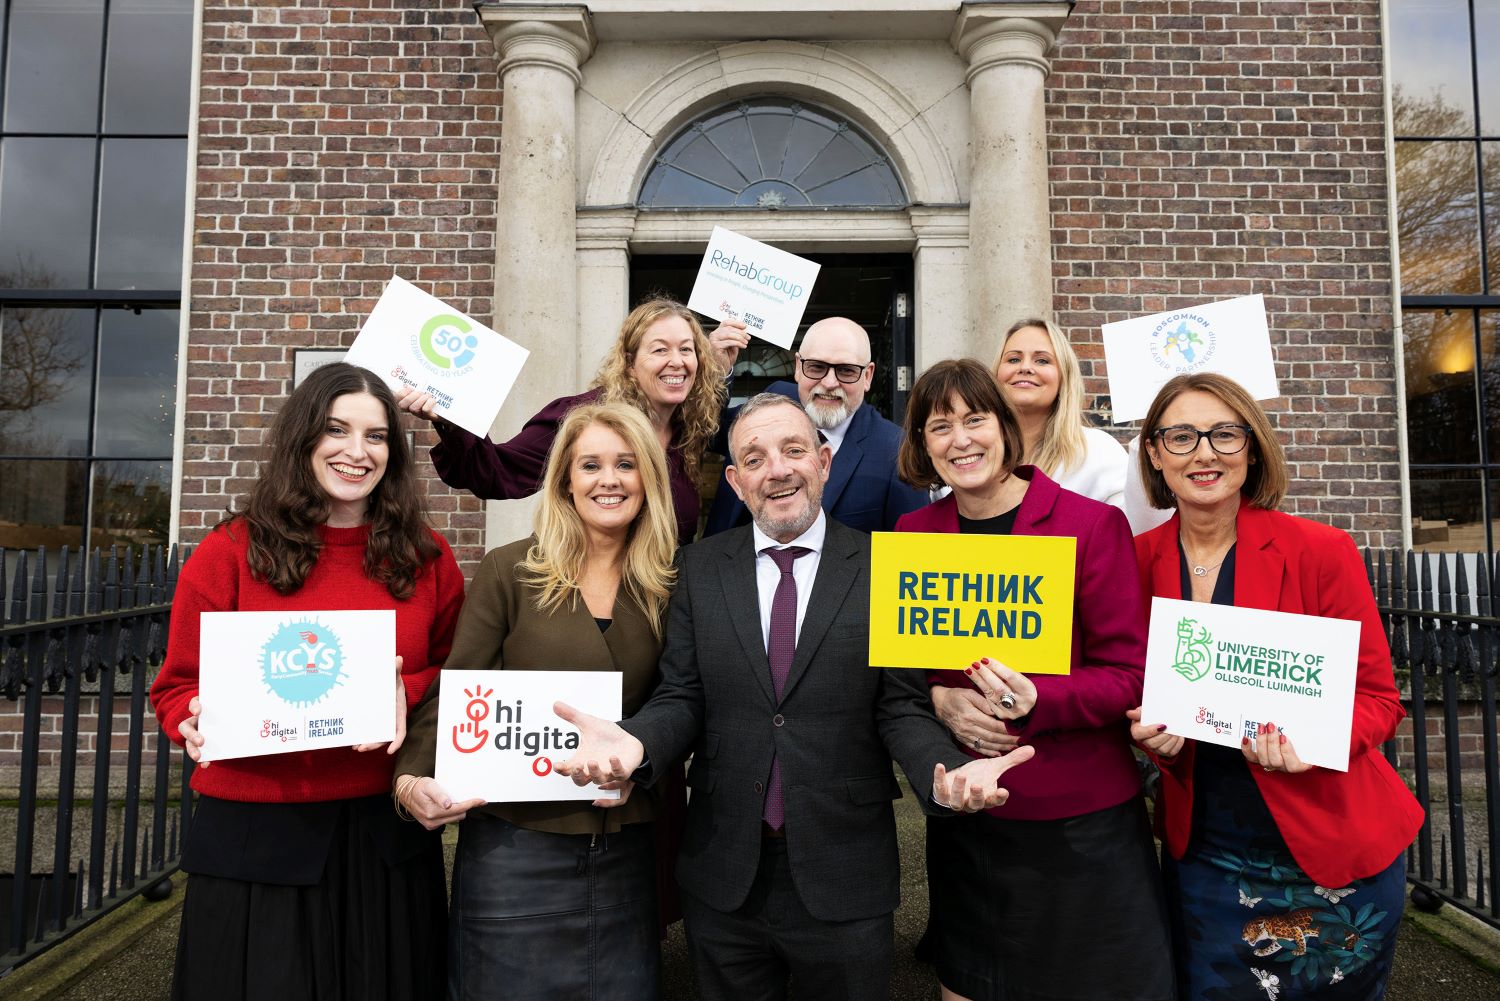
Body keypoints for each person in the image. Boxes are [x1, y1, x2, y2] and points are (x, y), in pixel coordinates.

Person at [552, 392, 1033, 1001]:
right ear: (735, 479)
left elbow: (900, 706)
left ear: (824, 462)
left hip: (845, 869)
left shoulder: (888, 567)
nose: (776, 469)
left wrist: (948, 774)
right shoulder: (698, 571)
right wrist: (635, 742)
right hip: (724, 874)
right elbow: (684, 695)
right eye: (753, 457)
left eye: (793, 450)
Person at [150, 363, 466, 1001]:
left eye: (377, 437)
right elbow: (177, 685)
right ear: (302, 439)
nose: (358, 452)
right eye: (337, 430)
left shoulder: (429, 558)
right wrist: (189, 717)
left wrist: (397, 693)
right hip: (254, 833)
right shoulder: (232, 551)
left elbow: (451, 676)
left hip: (383, 834)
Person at [1127, 373, 1424, 1000]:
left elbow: (1379, 701)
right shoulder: (1134, 561)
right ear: (1154, 453)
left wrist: (1312, 739)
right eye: (1180, 436)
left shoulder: (1321, 551)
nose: (1203, 452)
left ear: (1252, 448)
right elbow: (1132, 691)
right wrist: (1154, 738)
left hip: (1331, 849)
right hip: (1206, 853)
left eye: (1224, 434)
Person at [895, 358, 1174, 1001]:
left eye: (975, 419)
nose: (960, 439)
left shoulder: (1090, 525)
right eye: (940, 426)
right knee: (972, 984)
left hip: (1082, 819)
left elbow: (1130, 675)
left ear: (1005, 428)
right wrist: (938, 698)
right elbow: (901, 680)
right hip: (972, 818)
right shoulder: (913, 534)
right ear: (922, 445)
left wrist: (1040, 697)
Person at [392, 402, 678, 1000]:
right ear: (565, 480)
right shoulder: (510, 569)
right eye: (590, 465)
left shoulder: (673, 581)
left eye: (625, 464)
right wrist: (410, 778)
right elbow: (458, 686)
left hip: (622, 841)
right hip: (512, 849)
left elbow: (685, 699)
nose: (609, 480)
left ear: (648, 476)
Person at [398, 298, 748, 543]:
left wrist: (718, 365)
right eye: (660, 349)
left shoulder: (690, 429)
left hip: (669, 615)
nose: (677, 361)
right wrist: (452, 416)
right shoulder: (582, 420)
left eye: (686, 349)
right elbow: (495, 472)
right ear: (629, 363)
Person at [703, 315, 928, 535]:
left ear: (867, 376)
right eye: (817, 367)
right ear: (798, 367)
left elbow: (910, 555)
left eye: (846, 370)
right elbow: (709, 434)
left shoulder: (897, 451)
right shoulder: (774, 398)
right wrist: (717, 371)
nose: (829, 383)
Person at [992, 316, 1170, 535]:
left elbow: (1133, 533)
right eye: (1013, 359)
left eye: (1042, 360)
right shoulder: (972, 450)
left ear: (1063, 376)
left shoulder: (1098, 451)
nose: (1026, 367)